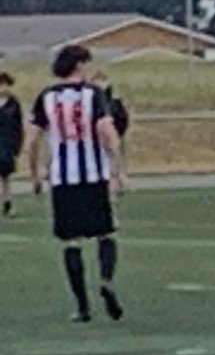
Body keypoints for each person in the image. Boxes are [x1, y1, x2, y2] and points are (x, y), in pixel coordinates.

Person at [24, 45, 126, 323]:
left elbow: (31, 139)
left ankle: (82, 306)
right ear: (79, 65)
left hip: (63, 179)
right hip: (94, 176)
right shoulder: (94, 95)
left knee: (71, 242)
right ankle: (106, 280)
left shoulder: (46, 97)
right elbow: (108, 132)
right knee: (106, 233)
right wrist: (118, 170)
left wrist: (34, 174)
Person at [0, 71, 21, 217]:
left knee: (6, 176)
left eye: (6, 85)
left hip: (7, 144)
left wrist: (16, 146)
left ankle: (8, 202)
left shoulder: (14, 103)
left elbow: (18, 126)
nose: (4, 88)